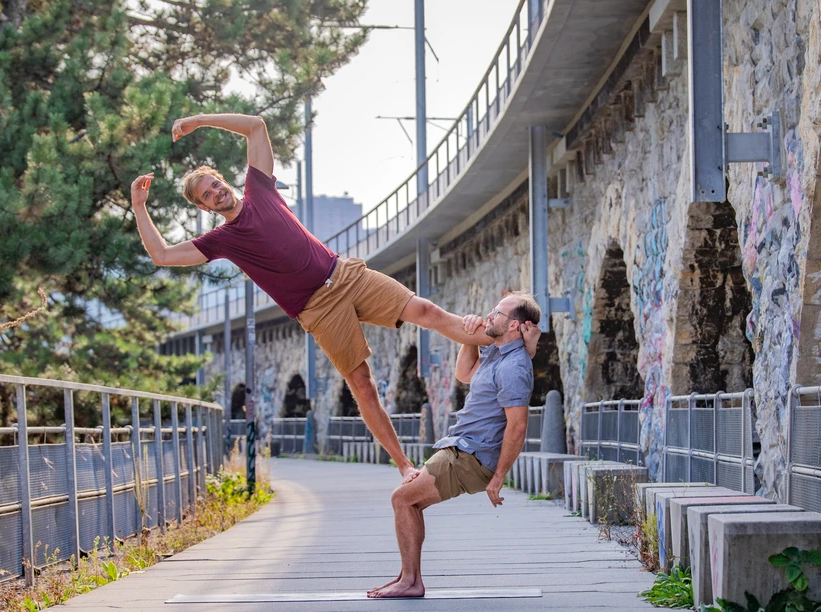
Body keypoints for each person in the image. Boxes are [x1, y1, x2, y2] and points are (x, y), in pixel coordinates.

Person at [128, 113, 538, 481]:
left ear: (224, 180)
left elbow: (256, 125)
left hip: (343, 274)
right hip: (317, 308)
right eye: (207, 195)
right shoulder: (221, 240)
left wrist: (200, 120)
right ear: (205, 207)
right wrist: (139, 207)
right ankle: (405, 465)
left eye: (216, 183)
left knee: (426, 310)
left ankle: (508, 341)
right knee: (363, 385)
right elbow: (161, 255)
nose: (217, 193)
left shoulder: (259, 188)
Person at [368, 292, 539, 599]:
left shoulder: (513, 366)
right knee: (409, 501)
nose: (489, 316)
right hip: (461, 449)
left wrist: (498, 477)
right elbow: (464, 374)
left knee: (403, 499)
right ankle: (408, 576)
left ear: (514, 326)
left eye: (497, 313)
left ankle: (411, 581)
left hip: (472, 457)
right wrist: (469, 337)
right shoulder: (497, 354)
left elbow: (518, 426)